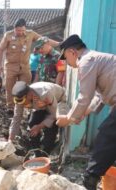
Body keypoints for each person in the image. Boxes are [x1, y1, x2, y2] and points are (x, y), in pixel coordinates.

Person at [56, 34, 116, 190]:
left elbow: (84, 96)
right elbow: (98, 96)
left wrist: (68, 119)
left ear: (72, 52)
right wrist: (82, 114)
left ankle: (90, 178)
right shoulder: (96, 59)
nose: (67, 63)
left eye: (66, 58)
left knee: (106, 136)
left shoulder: (86, 61)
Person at [0, 18, 59, 115]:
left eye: (22, 30)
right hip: (10, 66)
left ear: (25, 29)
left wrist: (59, 44)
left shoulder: (31, 34)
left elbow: (44, 40)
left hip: (25, 66)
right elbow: (0, 50)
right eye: (18, 30)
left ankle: (26, 106)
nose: (20, 32)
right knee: (9, 87)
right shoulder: (8, 36)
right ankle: (10, 107)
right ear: (14, 29)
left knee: (26, 87)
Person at [9, 81, 67, 156]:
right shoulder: (20, 98)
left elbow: (54, 114)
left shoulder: (45, 93)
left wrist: (39, 126)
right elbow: (17, 117)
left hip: (57, 103)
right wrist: (11, 138)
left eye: (24, 102)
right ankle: (36, 151)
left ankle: (46, 151)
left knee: (50, 129)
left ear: (29, 94)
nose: (23, 105)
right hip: (40, 106)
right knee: (32, 123)